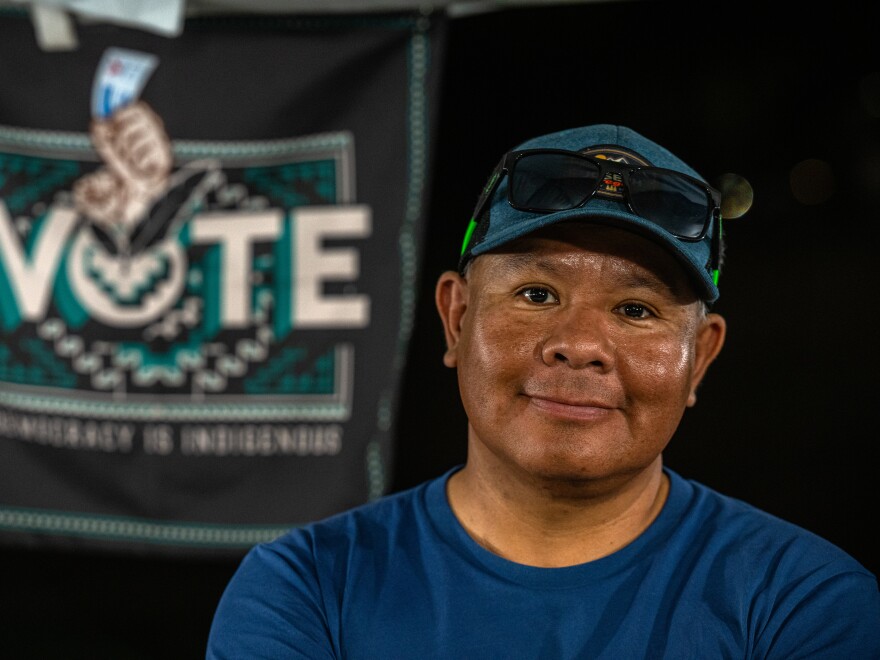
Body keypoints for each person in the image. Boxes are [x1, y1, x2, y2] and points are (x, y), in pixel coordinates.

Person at [206, 124, 880, 658]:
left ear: (699, 359)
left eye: (637, 311)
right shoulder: (307, 589)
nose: (580, 343)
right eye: (536, 294)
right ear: (458, 318)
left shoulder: (803, 604)